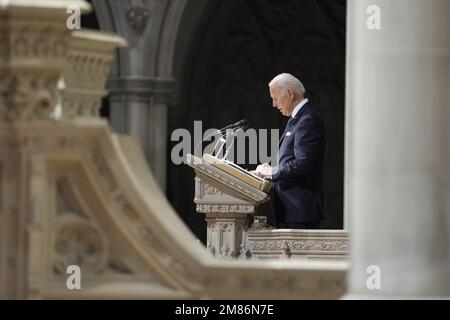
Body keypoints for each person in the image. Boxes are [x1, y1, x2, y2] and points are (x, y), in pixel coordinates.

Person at [253, 73, 327, 229]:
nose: (274, 104)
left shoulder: (307, 120)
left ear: (290, 94)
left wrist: (271, 172)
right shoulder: (297, 119)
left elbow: (302, 165)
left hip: (300, 211)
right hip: (292, 210)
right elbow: (290, 160)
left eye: (275, 98)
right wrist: (264, 173)